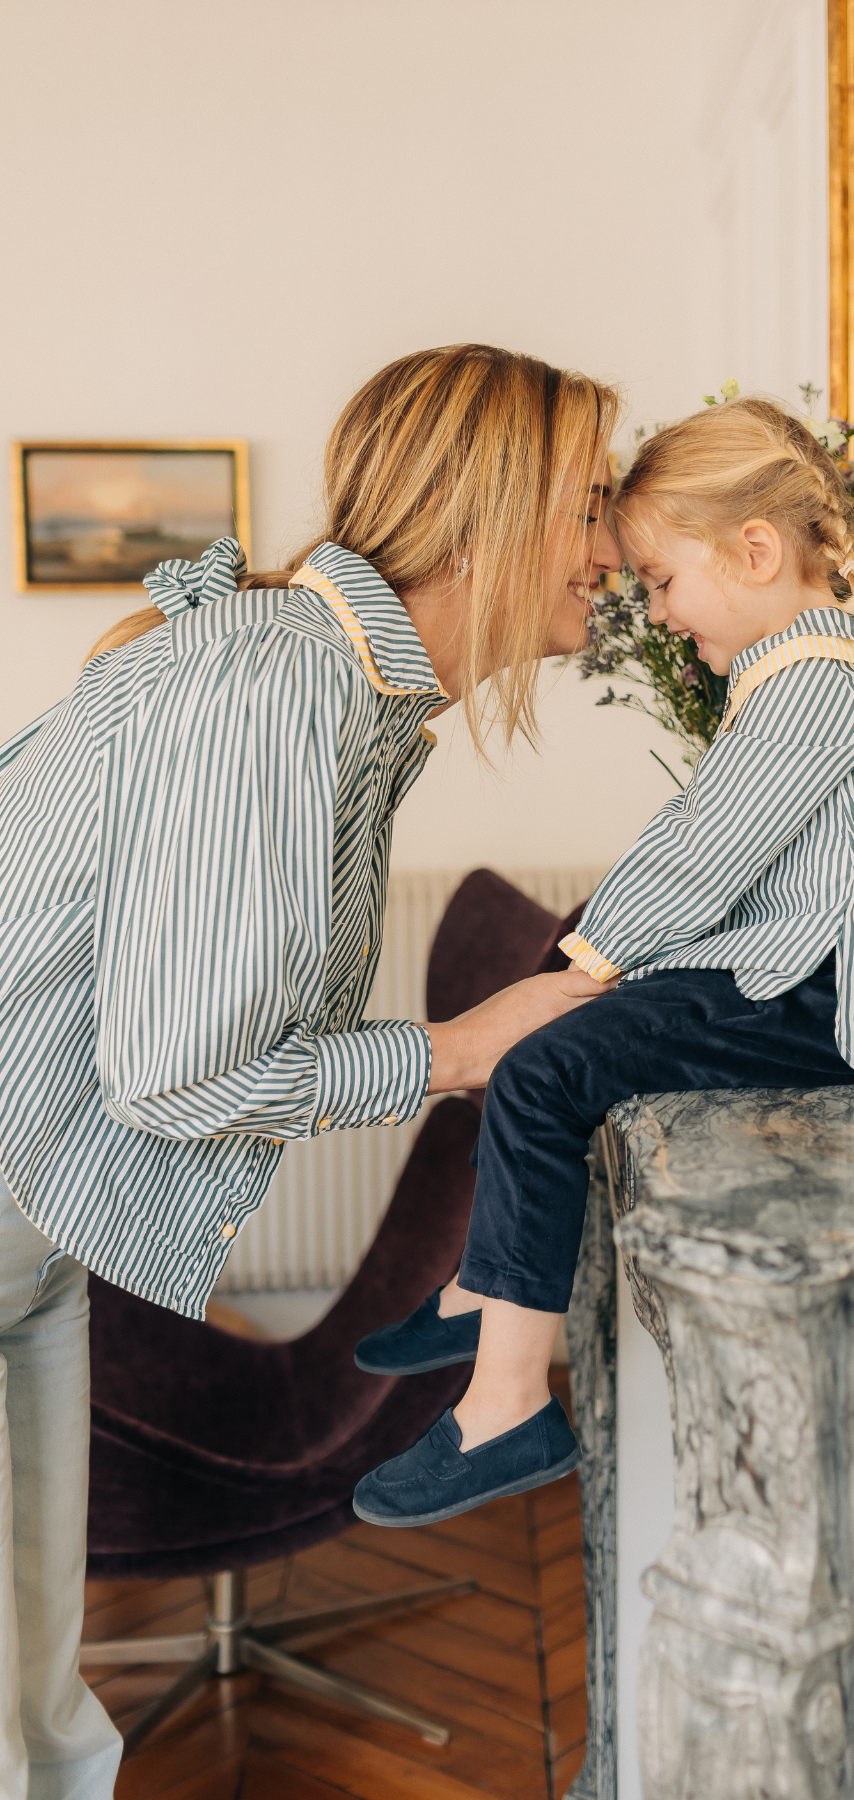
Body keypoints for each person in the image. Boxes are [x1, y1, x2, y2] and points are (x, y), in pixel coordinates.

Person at [0, 344, 620, 1799]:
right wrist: (463, 1050)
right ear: (492, 514)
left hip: (32, 1219)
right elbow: (176, 1072)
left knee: (38, 1711)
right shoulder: (281, 686)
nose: (613, 552)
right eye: (589, 505)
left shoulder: (329, 687)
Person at [351, 396, 854, 1528]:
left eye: (664, 581)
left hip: (830, 1004)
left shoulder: (823, 683)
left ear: (756, 550)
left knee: (540, 1067)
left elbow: (701, 849)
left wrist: (585, 962)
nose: (660, 613)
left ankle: (507, 1406)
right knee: (549, 1039)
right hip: (804, 972)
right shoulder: (838, 667)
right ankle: (486, 1288)